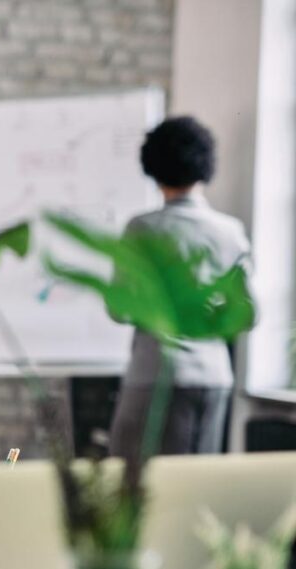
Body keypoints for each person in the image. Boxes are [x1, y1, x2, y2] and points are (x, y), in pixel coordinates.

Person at [109, 116, 251, 460]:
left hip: (154, 375)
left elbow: (118, 308)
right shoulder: (230, 231)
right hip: (213, 376)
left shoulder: (142, 229)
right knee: (196, 485)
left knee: (134, 486)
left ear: (153, 168)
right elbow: (247, 312)